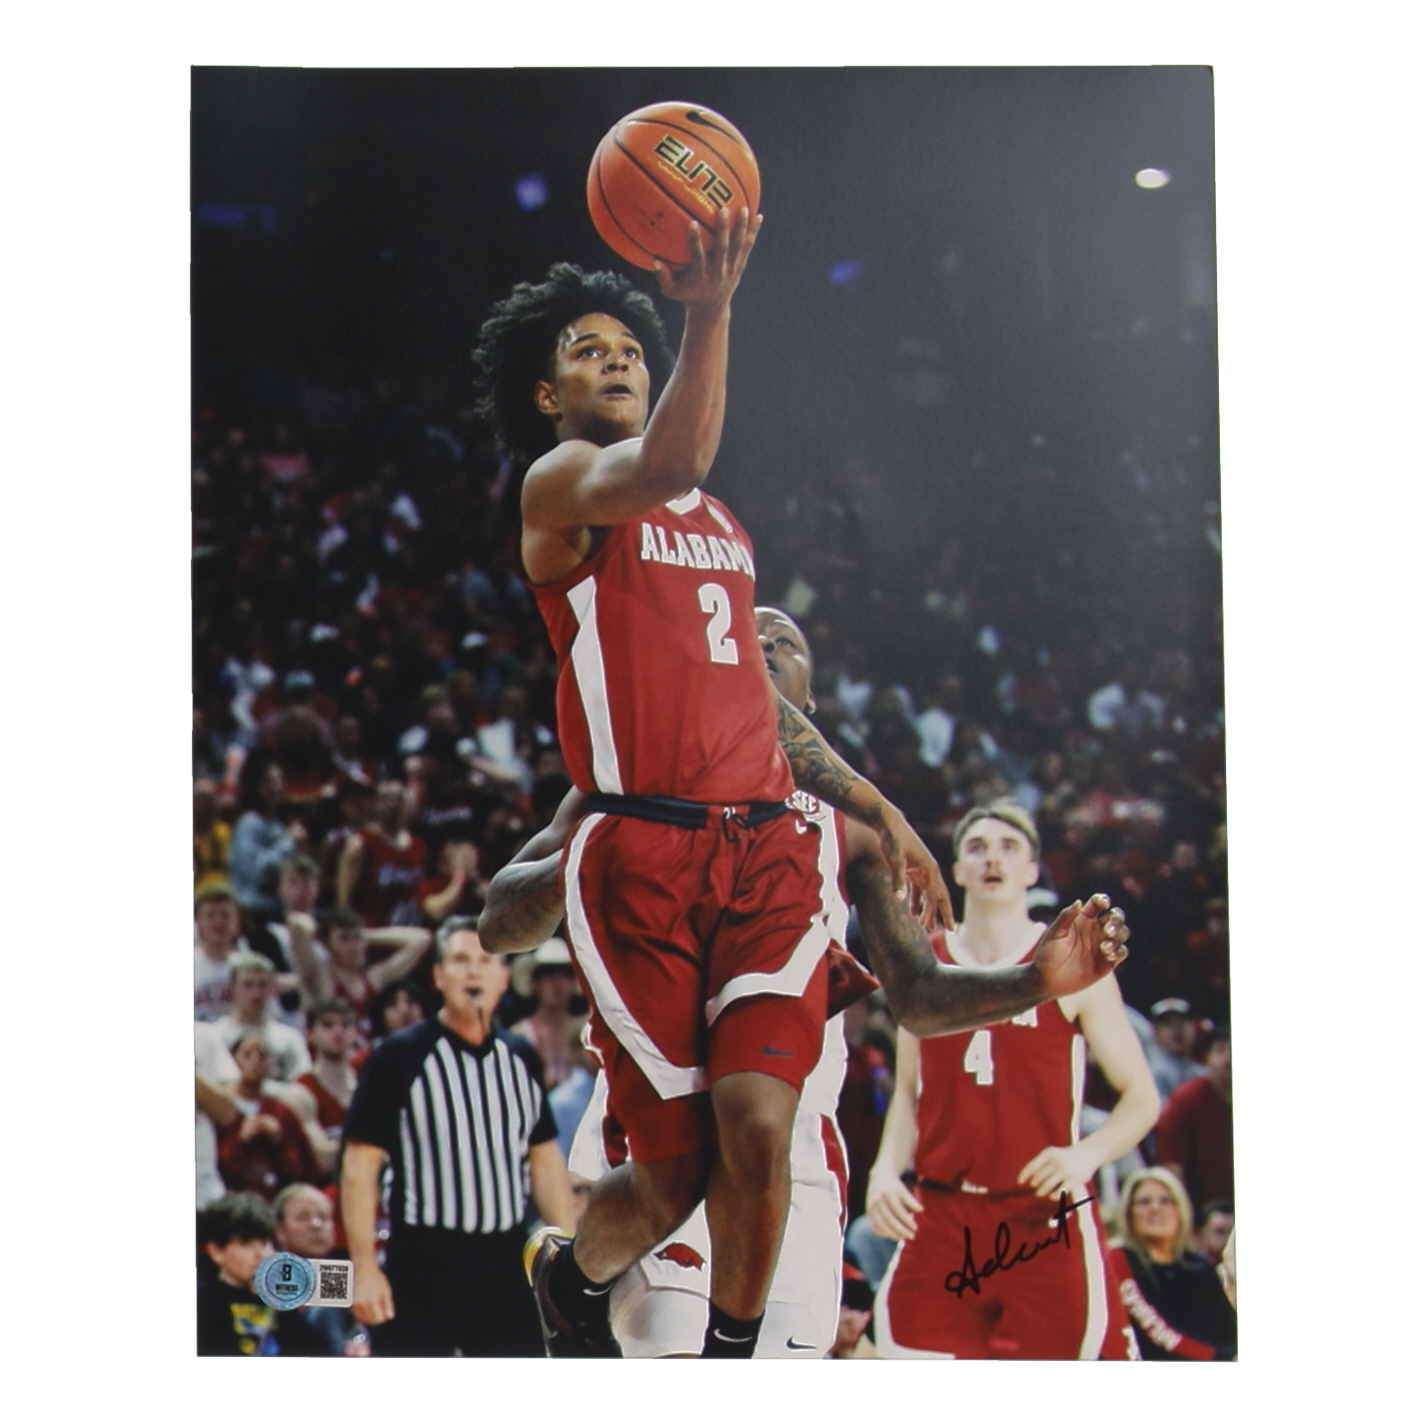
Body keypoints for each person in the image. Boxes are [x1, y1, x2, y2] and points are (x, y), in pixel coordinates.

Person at [472, 219, 956, 1359]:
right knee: (678, 1168)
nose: (616, 359)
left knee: (757, 1125)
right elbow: (671, 462)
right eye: (587, 352)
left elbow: (760, 701)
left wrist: (879, 808)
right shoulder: (560, 484)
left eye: (627, 348)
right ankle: (570, 1273)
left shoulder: (718, 525)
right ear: (546, 395)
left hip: (763, 847)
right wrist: (709, 305)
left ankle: (731, 1361)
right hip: (646, 849)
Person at [479, 608, 1132, 1358]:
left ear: (809, 699)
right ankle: (574, 1284)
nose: (757, 644)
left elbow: (918, 995)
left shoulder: (850, 823)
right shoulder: (633, 777)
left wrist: (1036, 981)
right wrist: (599, 850)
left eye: (782, 641)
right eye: (742, 633)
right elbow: (499, 921)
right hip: (666, 1126)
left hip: (795, 1148)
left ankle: (568, 1282)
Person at [866, 798, 1159, 1359]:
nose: (992, 859)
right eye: (976, 848)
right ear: (956, 870)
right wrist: (884, 1171)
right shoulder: (923, 963)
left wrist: (1086, 1155)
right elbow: (906, 1092)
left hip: (1042, 1215)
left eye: (1008, 847)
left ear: (1031, 870)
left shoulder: (1072, 963)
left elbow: (1141, 1098)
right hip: (942, 1211)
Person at [341, 916, 577, 1356]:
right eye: (460, 960)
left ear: (503, 977)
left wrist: (569, 1258)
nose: (473, 972)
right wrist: (365, 1267)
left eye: (485, 961)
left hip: (507, 1258)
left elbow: (544, 1159)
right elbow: (360, 1165)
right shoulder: (398, 1055)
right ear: (438, 975)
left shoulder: (521, 1055)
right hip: (424, 1259)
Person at [1107, 1166, 1237, 1360]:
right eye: (1144, 1201)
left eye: (1166, 1201)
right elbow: (1156, 1330)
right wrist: (1217, 1358)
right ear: (1128, 1212)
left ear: (1181, 1210)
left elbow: (1227, 1328)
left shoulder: (1199, 1266)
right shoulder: (1117, 1259)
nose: (1155, 1209)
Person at [197, 1192, 328, 1356]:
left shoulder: (279, 1299)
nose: (260, 1254)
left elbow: (316, 1354)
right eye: (246, 1244)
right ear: (216, 1251)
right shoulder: (203, 1303)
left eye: (265, 1243)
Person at [287, 907, 432, 1053]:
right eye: (345, 939)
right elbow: (296, 923)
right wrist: (321, 933)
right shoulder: (322, 978)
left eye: (357, 938)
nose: (354, 946)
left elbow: (422, 939)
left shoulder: (372, 978)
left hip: (368, 1058)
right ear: (328, 945)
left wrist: (366, 935)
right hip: (332, 1057)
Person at [217, 1031, 324, 1201]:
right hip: (231, 1198)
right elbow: (214, 1165)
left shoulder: (282, 1112)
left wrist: (279, 1140)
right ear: (233, 1060)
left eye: (262, 1056)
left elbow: (305, 1170)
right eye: (247, 1054)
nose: (255, 1061)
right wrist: (241, 1139)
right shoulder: (221, 1109)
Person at [272, 1183, 363, 1356]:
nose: (316, 1224)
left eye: (323, 1217)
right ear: (280, 1231)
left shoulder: (354, 1271)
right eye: (302, 1217)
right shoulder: (267, 1273)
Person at [1154, 1022, 1233, 1214]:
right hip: (1202, 1211)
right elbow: (1171, 1168)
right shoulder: (1185, 1101)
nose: (1229, 1058)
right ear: (1206, 1058)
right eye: (1220, 1050)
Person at [336, 779, 428, 927]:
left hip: (409, 928)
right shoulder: (360, 844)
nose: (392, 804)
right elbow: (343, 902)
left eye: (398, 799)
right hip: (370, 930)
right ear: (375, 804)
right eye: (385, 798)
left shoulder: (419, 846)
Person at [211, 951, 312, 1083]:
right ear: (232, 989)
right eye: (248, 985)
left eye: (262, 985)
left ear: (273, 989)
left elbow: (302, 1081)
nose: (256, 993)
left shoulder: (289, 1039)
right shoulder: (216, 1035)